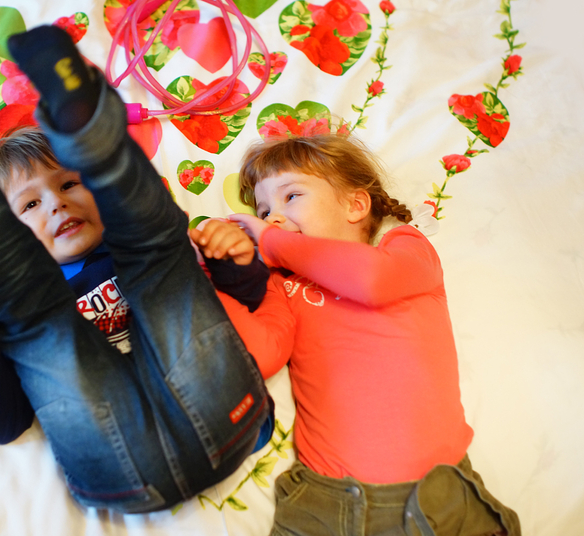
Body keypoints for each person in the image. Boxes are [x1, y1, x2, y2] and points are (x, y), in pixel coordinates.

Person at [0, 25, 272, 514]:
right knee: (43, 309)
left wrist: (234, 263)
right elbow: (3, 425)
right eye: (30, 205)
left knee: (155, 254)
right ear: (10, 234)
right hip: (130, 451)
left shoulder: (125, 252)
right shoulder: (25, 301)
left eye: (68, 184)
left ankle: (74, 126)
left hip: (209, 412)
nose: (57, 205)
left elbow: (246, 303)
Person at [191, 134, 520, 535]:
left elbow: (371, 280)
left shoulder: (404, 248)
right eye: (264, 211)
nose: (272, 219)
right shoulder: (282, 284)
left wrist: (272, 243)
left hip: (439, 501)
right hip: (328, 504)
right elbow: (259, 354)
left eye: (291, 196)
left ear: (355, 205)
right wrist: (209, 270)